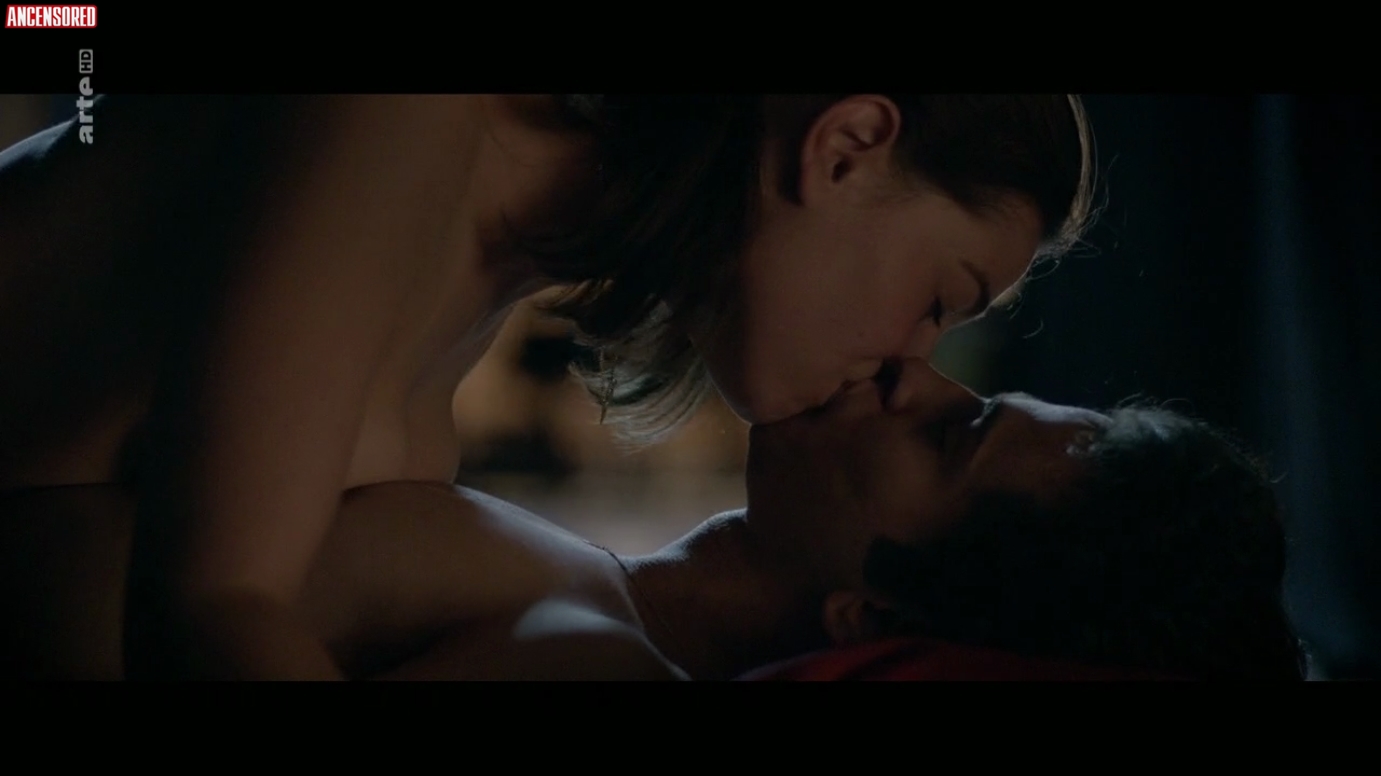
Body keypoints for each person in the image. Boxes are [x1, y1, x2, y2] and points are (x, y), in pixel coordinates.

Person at [0, 95, 1092, 679]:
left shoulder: (489, 250)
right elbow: (202, 612)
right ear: (847, 145)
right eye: (939, 299)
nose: (911, 357)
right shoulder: (408, 117)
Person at [0, 360, 1304, 680]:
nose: (913, 373)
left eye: (948, 437)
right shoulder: (590, 595)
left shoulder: (593, 660)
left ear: (873, 613)